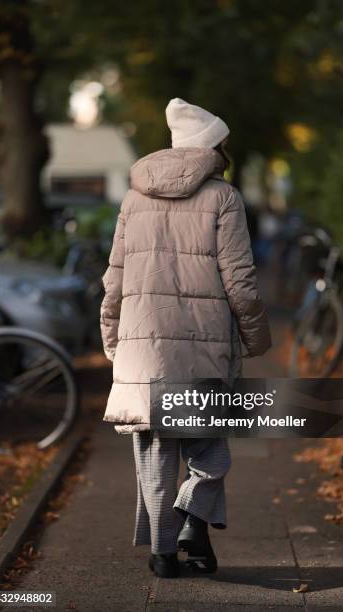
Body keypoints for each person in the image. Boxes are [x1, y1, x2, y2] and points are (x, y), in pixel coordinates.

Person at [100, 98, 271, 578]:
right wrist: (255, 338)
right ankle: (193, 520)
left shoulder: (133, 199)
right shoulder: (224, 197)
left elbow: (114, 278)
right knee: (210, 450)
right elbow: (240, 280)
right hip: (204, 347)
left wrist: (113, 339)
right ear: (215, 146)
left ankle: (162, 552)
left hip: (143, 348)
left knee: (155, 452)